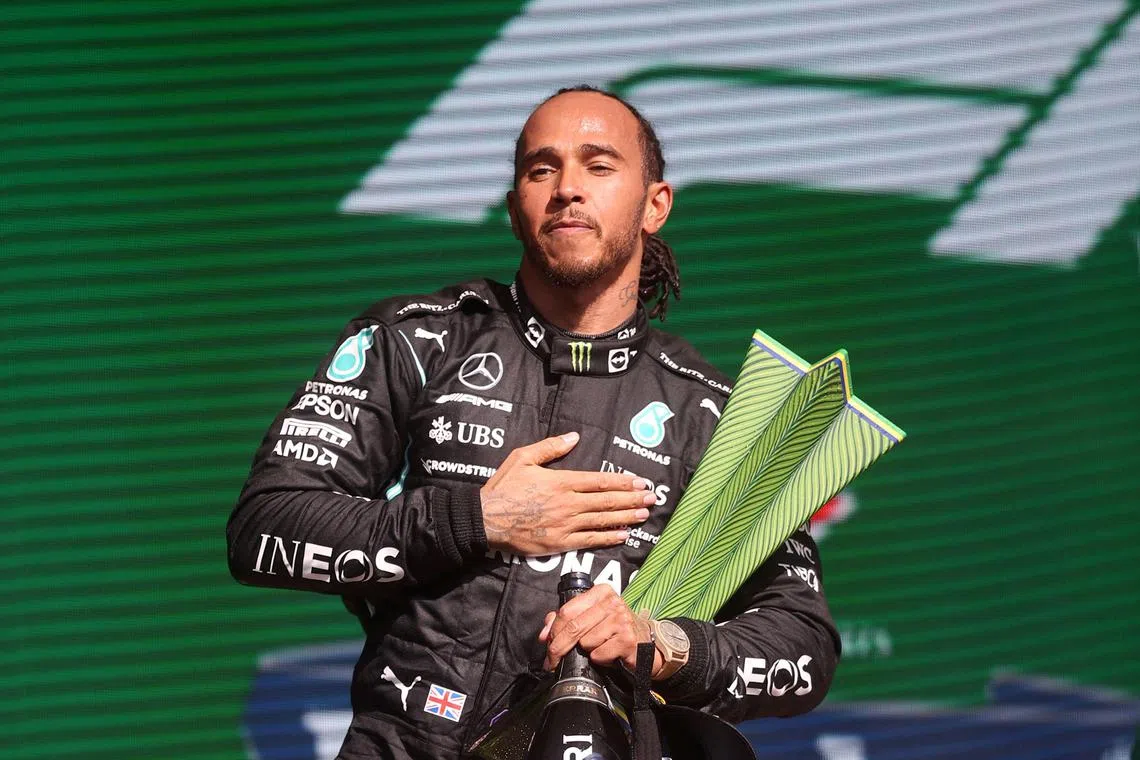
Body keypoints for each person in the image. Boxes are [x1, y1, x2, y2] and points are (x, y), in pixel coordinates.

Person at [227, 86, 840, 759]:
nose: (568, 188)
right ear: (516, 207)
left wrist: (664, 645)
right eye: (541, 168)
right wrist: (474, 519)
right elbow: (266, 526)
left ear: (655, 204)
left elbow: (803, 645)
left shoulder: (719, 417)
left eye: (599, 166)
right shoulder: (418, 342)